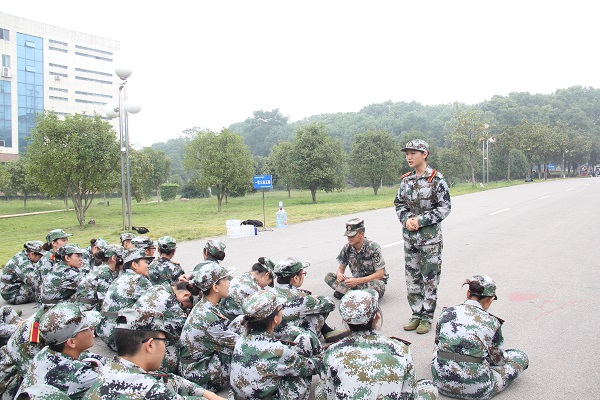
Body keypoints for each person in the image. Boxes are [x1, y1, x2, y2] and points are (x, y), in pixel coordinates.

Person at [316, 289, 438, 399]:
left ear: (345, 320)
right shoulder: (401, 349)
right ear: (377, 317)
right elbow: (408, 393)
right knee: (428, 386)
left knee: (320, 389)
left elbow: (330, 393)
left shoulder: (331, 353)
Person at [83, 308, 224, 399]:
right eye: (164, 341)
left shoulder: (108, 368)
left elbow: (167, 378)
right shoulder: (151, 391)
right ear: (150, 345)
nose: (164, 347)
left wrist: (208, 394)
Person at [431, 275, 529, 399]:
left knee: (439, 348)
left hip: (441, 384)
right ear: (490, 300)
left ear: (468, 293)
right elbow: (498, 360)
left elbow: (437, 342)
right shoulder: (492, 322)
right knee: (520, 357)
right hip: (477, 390)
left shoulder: (446, 313)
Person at [394, 139, 451, 334]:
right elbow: (399, 204)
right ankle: (416, 314)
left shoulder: (436, 179)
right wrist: (406, 220)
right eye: (407, 154)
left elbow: (444, 207)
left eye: (413, 153)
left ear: (424, 154)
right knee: (412, 278)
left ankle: (427, 316)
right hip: (410, 238)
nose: (409, 157)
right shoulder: (406, 180)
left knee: (430, 278)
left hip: (430, 239)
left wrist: (421, 220)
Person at [230, 290, 324, 400]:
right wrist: (325, 357)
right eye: (280, 307)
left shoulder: (242, 338)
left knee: (296, 335)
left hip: (240, 396)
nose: (282, 309)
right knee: (306, 340)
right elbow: (308, 367)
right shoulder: (277, 350)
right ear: (275, 319)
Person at [16, 303, 106, 399]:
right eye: (87, 327)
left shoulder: (45, 352)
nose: (92, 328)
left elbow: (85, 356)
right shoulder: (77, 376)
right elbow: (113, 379)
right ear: (71, 342)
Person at [179, 261, 238, 392]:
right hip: (200, 377)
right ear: (215, 287)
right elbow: (239, 343)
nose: (229, 283)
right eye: (225, 280)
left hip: (193, 367)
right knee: (242, 351)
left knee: (240, 321)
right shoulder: (208, 318)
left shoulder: (204, 305)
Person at [272, 257, 346, 345]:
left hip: (272, 336)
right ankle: (320, 334)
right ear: (295, 278)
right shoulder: (302, 297)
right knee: (318, 309)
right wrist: (316, 297)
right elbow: (330, 304)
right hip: (293, 339)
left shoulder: (268, 293)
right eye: (303, 273)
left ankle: (327, 331)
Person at [96, 249, 154, 350]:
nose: (148, 266)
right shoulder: (139, 280)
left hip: (106, 331)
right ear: (134, 264)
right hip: (120, 335)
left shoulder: (120, 277)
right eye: (145, 262)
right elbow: (158, 300)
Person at [133, 281, 194, 374]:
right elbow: (186, 331)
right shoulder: (171, 303)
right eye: (186, 306)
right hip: (145, 352)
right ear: (186, 295)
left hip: (132, 346)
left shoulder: (157, 288)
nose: (184, 308)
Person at [324, 218, 388, 299]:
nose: (349, 238)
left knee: (376, 285)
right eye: (348, 235)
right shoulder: (347, 248)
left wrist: (357, 281)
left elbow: (380, 274)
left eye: (352, 236)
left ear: (362, 234)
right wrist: (339, 274)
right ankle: (355, 294)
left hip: (370, 282)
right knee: (329, 276)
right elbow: (340, 269)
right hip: (355, 282)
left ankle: (348, 293)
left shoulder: (373, 247)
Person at [74, 244, 124, 311]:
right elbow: (106, 300)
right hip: (87, 309)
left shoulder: (102, 269)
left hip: (85, 305)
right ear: (113, 258)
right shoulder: (105, 273)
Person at [35, 229, 73, 302]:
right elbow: (47, 284)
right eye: (63, 240)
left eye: (67, 240)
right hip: (49, 299)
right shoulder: (47, 260)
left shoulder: (60, 256)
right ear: (54, 243)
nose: (67, 243)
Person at [1, 241, 44, 305]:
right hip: (12, 295)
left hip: (10, 289)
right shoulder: (23, 263)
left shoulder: (22, 255)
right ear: (32, 254)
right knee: (45, 289)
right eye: (40, 257)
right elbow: (34, 281)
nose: (42, 259)